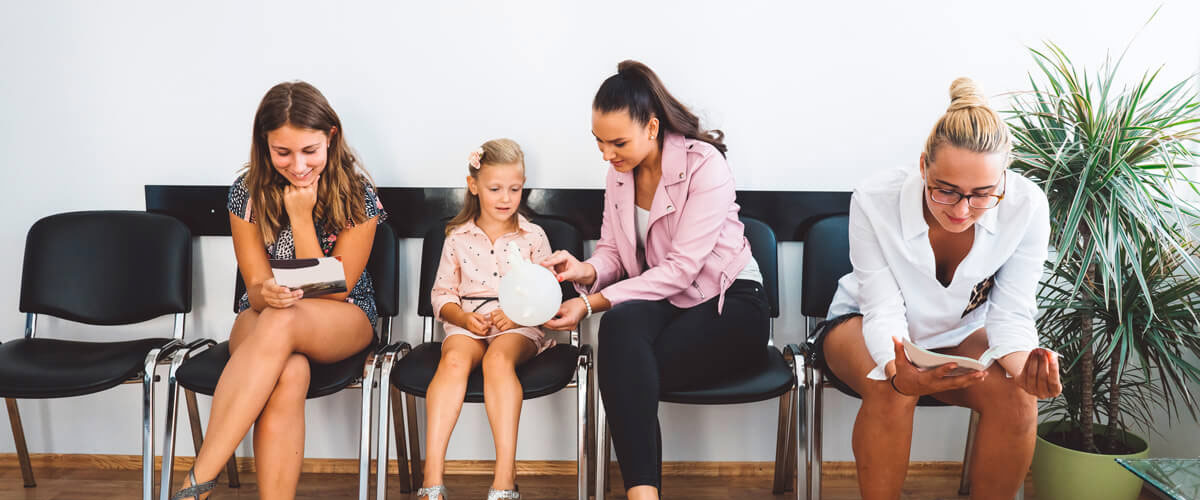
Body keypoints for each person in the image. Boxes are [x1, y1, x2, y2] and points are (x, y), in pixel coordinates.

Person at [816, 78, 1061, 500]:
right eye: (945, 191)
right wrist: (899, 373)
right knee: (887, 388)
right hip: (862, 323)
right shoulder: (875, 199)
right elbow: (881, 311)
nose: (962, 210)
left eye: (983, 194)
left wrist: (1028, 372)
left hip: (961, 334)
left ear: (1003, 177)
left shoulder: (1027, 206)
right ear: (924, 165)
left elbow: (1010, 316)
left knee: (1018, 397)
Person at [542, 60, 769, 500]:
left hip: (731, 302)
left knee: (625, 362)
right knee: (620, 329)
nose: (607, 155)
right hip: (668, 302)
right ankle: (643, 494)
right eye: (599, 143)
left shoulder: (706, 165)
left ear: (651, 126)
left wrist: (590, 302)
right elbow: (613, 251)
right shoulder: (618, 175)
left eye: (618, 142)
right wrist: (584, 270)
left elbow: (682, 269)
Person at [172, 81, 385, 500]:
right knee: (290, 370)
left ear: (331, 138)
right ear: (263, 144)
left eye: (310, 151)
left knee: (286, 319)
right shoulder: (245, 194)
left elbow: (330, 294)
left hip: (344, 317)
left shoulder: (359, 196)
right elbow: (253, 287)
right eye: (283, 152)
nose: (298, 165)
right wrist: (265, 293)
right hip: (265, 317)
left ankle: (196, 481)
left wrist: (300, 215)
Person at [418, 139, 556, 500]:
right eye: (495, 189)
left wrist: (517, 315)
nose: (506, 197)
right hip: (468, 322)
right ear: (474, 186)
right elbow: (442, 295)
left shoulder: (533, 237)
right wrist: (462, 317)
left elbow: (548, 295)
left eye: (515, 188)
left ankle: (504, 479)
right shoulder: (457, 238)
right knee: (454, 360)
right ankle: (432, 479)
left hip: (518, 325)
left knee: (497, 360)